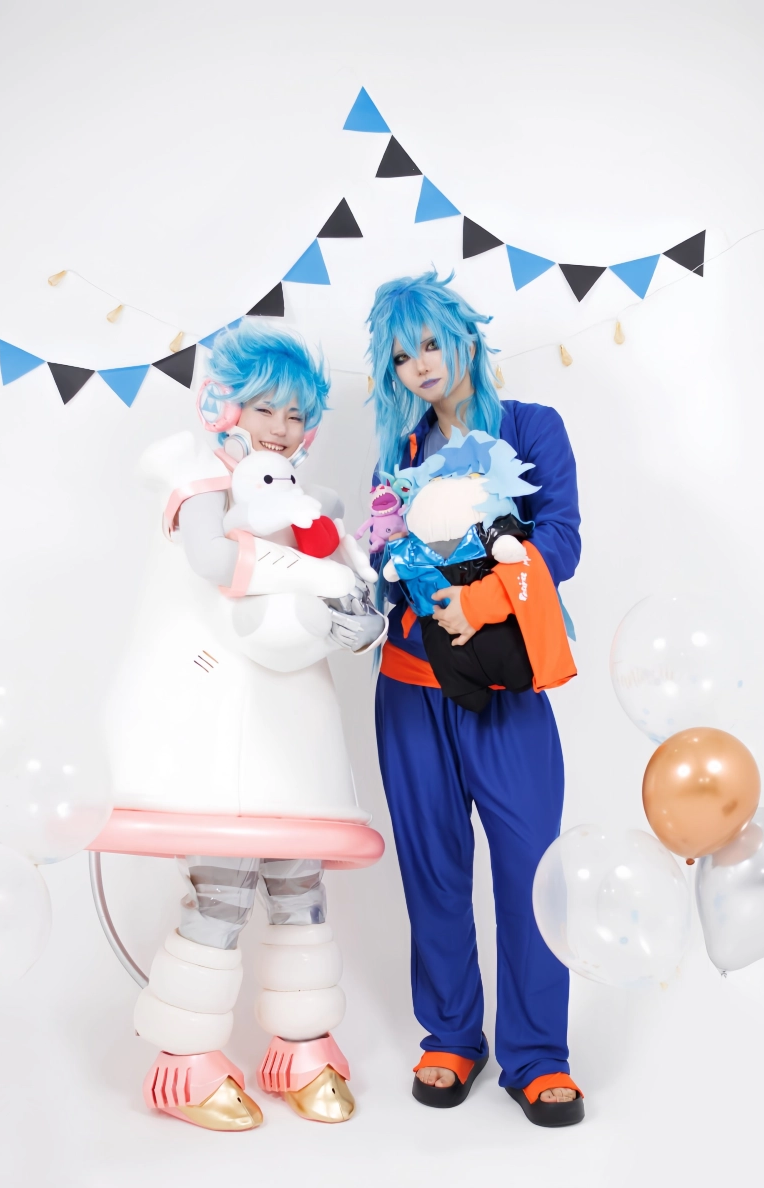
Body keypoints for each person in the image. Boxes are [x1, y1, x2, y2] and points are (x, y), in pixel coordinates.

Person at [105, 321, 385, 1131]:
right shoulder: (201, 483)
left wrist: (355, 612)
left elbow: (354, 598)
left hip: (295, 721)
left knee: (300, 886)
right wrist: (319, 578)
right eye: (267, 409)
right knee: (222, 891)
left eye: (297, 415)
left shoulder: (314, 506)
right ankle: (185, 1062)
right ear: (226, 408)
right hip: (217, 714)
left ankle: (302, 1046)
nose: (282, 428)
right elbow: (213, 561)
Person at [367, 271, 585, 1125]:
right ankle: (453, 1034)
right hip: (408, 690)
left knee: (532, 869)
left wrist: (484, 600)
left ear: (464, 337)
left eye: (429, 343)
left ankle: (537, 1054)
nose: (420, 365)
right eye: (401, 357)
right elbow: (387, 561)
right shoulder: (399, 454)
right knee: (433, 870)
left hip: (506, 687)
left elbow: (561, 540)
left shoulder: (532, 427)